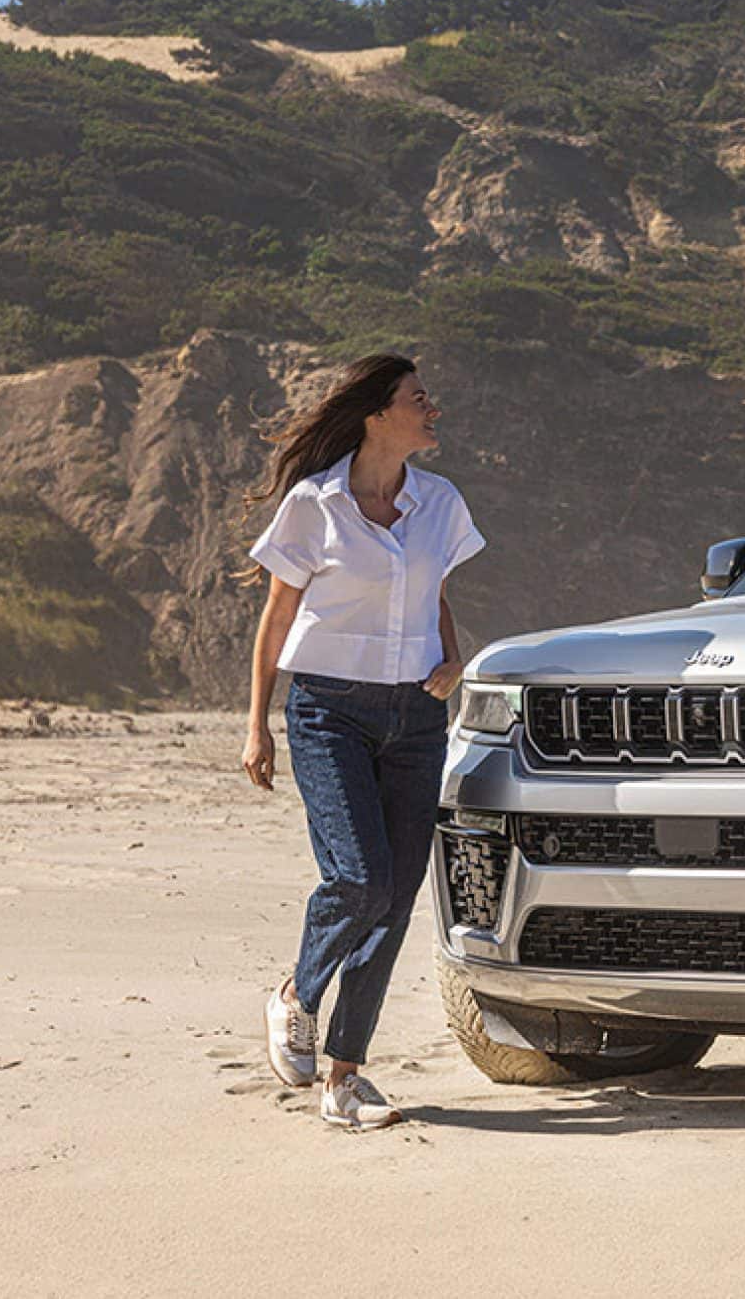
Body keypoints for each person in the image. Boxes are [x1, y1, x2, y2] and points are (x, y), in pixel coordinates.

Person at [239, 353, 484, 1128]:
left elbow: (435, 597)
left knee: (397, 895)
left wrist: (450, 659)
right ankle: (297, 995)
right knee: (359, 877)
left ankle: (344, 1078)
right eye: (420, 398)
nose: (432, 408)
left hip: (416, 716)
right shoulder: (315, 505)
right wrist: (257, 724)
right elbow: (276, 618)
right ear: (380, 413)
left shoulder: (439, 504)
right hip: (328, 711)